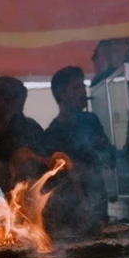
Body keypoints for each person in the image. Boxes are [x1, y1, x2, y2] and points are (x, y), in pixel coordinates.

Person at [44, 66, 113, 233]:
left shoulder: (91, 121)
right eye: (76, 88)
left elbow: (109, 160)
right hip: (71, 216)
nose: (83, 91)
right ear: (61, 94)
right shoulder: (52, 134)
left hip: (98, 207)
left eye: (83, 86)